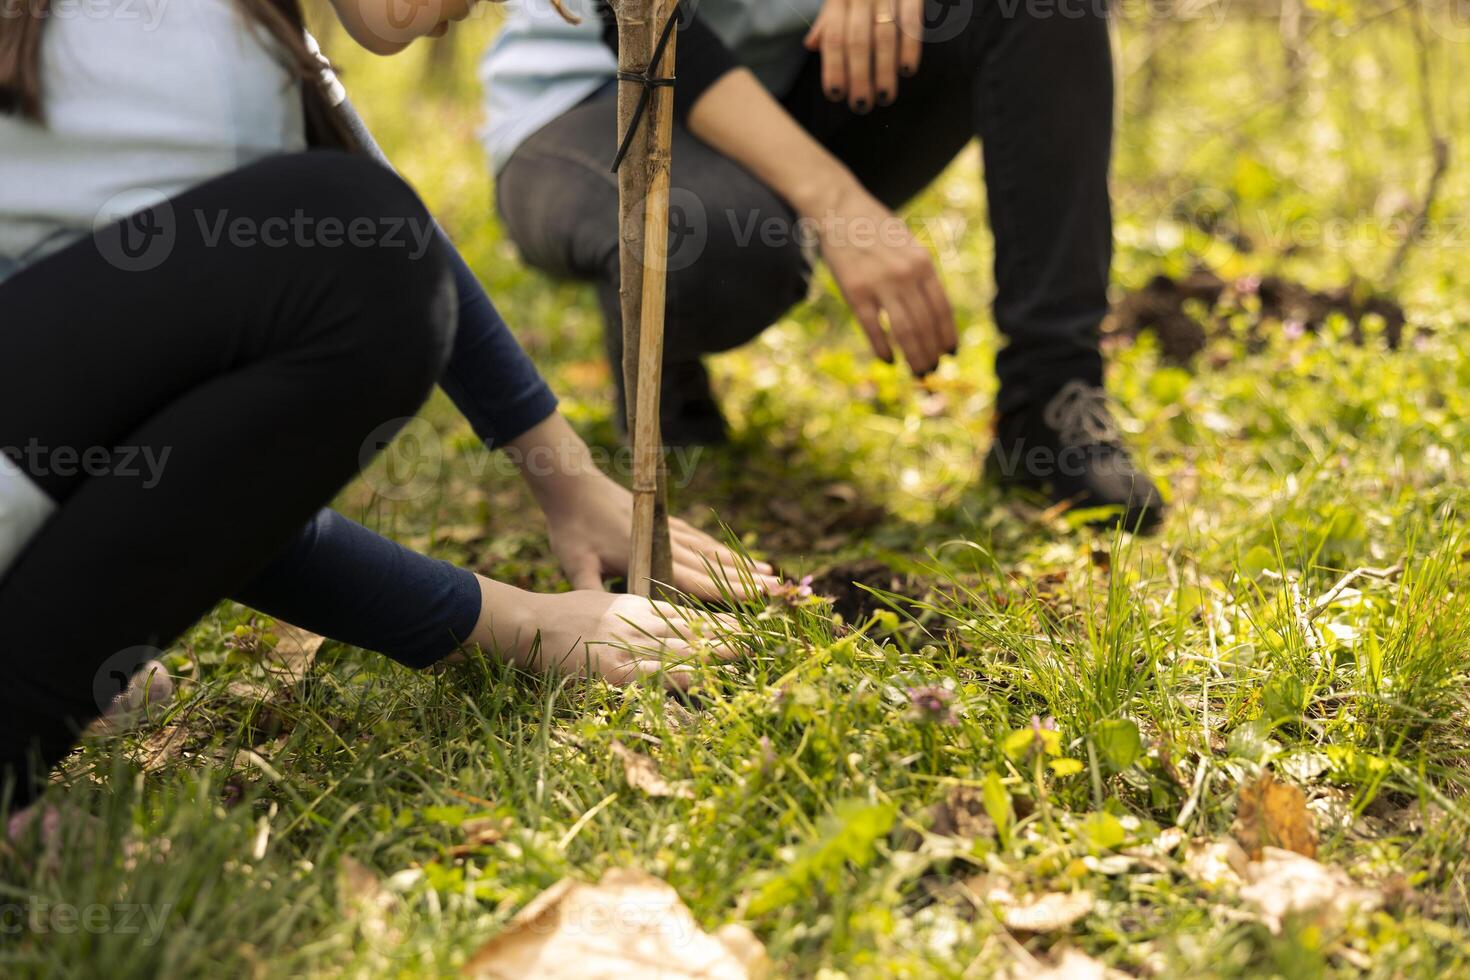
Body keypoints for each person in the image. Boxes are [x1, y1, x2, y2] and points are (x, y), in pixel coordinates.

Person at [0, 0, 775, 812]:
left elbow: (387, 219)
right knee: (357, 258)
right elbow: (206, 498)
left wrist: (570, 482)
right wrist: (523, 624)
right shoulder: (196, 55)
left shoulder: (218, 33)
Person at [482, 0, 1166, 530]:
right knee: (720, 250)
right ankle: (661, 333)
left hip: (793, 79)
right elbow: (650, 26)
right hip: (594, 100)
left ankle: (1049, 401)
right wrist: (838, 203)